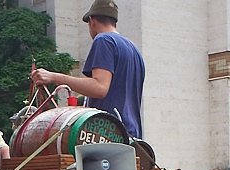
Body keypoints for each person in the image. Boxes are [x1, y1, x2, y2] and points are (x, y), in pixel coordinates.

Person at [30, 0, 145, 138]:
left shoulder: (103, 40)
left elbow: (100, 88)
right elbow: (119, 93)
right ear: (114, 22)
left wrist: (54, 77)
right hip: (132, 136)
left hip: (108, 134)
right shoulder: (134, 50)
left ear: (92, 21)